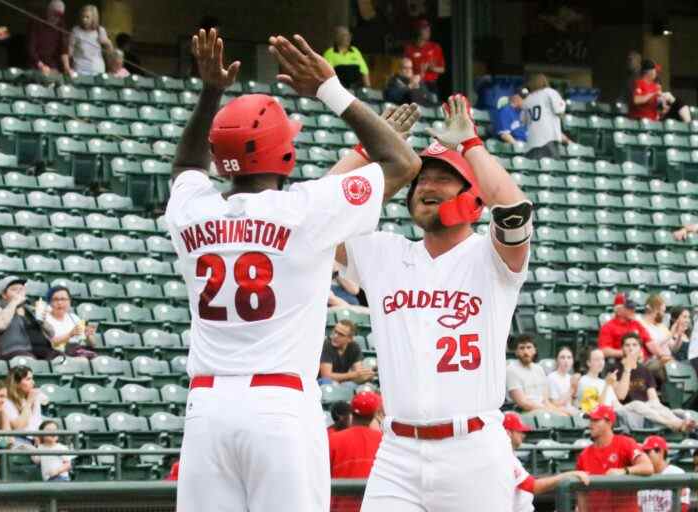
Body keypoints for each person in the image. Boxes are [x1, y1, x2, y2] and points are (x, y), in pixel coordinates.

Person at [167, 28, 420, 512]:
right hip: (279, 406)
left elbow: (185, 165)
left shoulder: (192, 211)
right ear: (285, 151)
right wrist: (330, 88)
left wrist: (211, 91)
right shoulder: (304, 209)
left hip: (206, 410)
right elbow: (402, 160)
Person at [334, 93, 533, 511]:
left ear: (473, 198)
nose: (426, 185)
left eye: (443, 177)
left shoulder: (490, 257)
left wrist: (472, 146)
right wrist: (367, 152)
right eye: (422, 177)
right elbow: (316, 218)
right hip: (397, 453)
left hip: (473, 451)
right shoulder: (384, 252)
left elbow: (514, 210)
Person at [504, 412, 589, 512]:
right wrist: (570, 474)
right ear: (508, 433)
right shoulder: (505, 458)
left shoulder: (508, 456)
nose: (523, 435)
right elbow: (534, 486)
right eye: (519, 431)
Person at [575, 404, 653, 512]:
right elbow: (581, 494)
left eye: (596, 420)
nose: (590, 424)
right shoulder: (584, 455)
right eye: (590, 420)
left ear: (609, 423)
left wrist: (624, 471)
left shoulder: (625, 443)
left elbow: (648, 467)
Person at [612, 333, 694, 432]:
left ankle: (680, 423)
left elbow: (654, 399)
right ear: (622, 348)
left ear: (640, 349)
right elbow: (620, 396)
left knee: (655, 404)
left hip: (646, 410)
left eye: (634, 345)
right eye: (627, 345)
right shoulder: (614, 369)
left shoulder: (644, 370)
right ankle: (672, 424)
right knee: (638, 404)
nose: (631, 348)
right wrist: (627, 370)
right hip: (624, 409)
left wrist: (654, 407)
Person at [328, 391, 383, 512]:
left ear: (351, 412)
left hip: (340, 508)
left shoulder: (333, 438)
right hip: (374, 507)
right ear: (374, 414)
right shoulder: (383, 441)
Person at [507, 335, 570, 416]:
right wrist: (552, 411)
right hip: (524, 412)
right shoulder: (511, 369)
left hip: (543, 409)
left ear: (535, 350)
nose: (526, 352)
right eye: (522, 348)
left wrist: (559, 411)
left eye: (529, 347)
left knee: (569, 414)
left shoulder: (539, 369)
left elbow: (545, 401)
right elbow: (523, 403)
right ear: (516, 352)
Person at [0, 277, 41, 360]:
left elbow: (51, 334)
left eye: (21, 289)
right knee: (27, 358)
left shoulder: (29, 310)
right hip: (8, 352)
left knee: (59, 357)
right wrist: (14, 303)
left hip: (33, 351)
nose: (19, 292)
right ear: (4, 295)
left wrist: (42, 320)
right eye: (14, 289)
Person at [637, 435, 690, 512]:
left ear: (660, 452)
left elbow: (683, 506)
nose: (644, 456)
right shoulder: (640, 476)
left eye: (647, 452)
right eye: (643, 452)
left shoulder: (677, 473)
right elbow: (638, 507)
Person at [42, 286, 97, 359]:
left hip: (75, 351)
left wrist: (88, 336)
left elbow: (93, 344)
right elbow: (50, 343)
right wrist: (69, 335)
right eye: (55, 299)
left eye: (63, 299)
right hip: (55, 353)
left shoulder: (74, 318)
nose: (60, 303)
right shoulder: (45, 319)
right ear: (49, 302)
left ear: (69, 301)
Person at [522, 73, 567, 159]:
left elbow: (523, 121)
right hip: (548, 140)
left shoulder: (527, 99)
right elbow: (560, 111)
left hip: (532, 143)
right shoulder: (550, 92)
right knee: (552, 170)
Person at [598, 292, 651, 361]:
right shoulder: (608, 327)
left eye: (633, 307)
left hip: (643, 361)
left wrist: (662, 356)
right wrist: (627, 353)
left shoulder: (636, 324)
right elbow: (604, 350)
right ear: (618, 311)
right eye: (629, 307)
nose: (633, 310)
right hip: (622, 362)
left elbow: (650, 342)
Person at [3, 366, 47, 446]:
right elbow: (18, 426)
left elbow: (46, 401)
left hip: (38, 439)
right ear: (16, 383)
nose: (33, 382)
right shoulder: (6, 402)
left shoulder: (32, 396)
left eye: (32, 378)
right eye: (28, 379)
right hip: (19, 440)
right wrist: (29, 402)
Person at [639, 294, 679, 383]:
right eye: (662, 311)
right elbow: (653, 346)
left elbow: (674, 348)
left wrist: (678, 335)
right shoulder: (642, 324)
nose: (664, 314)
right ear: (655, 310)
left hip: (667, 358)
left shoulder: (661, 325)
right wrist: (670, 334)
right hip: (652, 360)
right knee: (669, 369)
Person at [319, 320, 374, 385]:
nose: (335, 336)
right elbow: (326, 376)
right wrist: (354, 375)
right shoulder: (326, 345)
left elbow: (358, 372)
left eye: (341, 334)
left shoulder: (354, 347)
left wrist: (366, 374)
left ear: (349, 339)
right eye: (335, 331)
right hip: (322, 383)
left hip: (341, 382)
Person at [65, 4, 112, 76]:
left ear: (94, 18)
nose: (84, 19)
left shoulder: (100, 30)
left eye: (87, 17)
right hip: (80, 69)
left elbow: (110, 52)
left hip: (97, 69)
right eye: (83, 17)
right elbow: (69, 52)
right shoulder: (75, 30)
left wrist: (107, 42)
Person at [403, 19, 445, 95]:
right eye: (425, 29)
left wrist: (432, 68)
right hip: (415, 84)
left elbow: (442, 69)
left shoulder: (435, 47)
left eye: (429, 29)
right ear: (418, 31)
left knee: (432, 105)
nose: (428, 32)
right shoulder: (409, 48)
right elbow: (404, 68)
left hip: (431, 85)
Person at [28, 0, 70, 76]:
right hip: (36, 63)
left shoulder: (61, 25)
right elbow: (31, 48)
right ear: (48, 11)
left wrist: (67, 67)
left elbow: (63, 49)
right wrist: (41, 65)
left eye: (60, 16)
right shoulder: (36, 22)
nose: (57, 18)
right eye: (55, 15)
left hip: (52, 64)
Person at [575, 348, 620, 413]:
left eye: (602, 359)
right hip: (601, 418)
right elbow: (597, 409)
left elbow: (617, 404)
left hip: (615, 415)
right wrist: (607, 385)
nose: (601, 362)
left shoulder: (603, 382)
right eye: (597, 359)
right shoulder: (584, 381)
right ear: (588, 363)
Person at [547, 346, 580, 415]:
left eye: (569, 357)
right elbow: (555, 404)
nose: (566, 360)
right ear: (557, 360)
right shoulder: (551, 378)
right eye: (562, 357)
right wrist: (572, 388)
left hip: (571, 413)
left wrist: (575, 391)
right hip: (558, 414)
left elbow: (574, 404)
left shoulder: (570, 378)